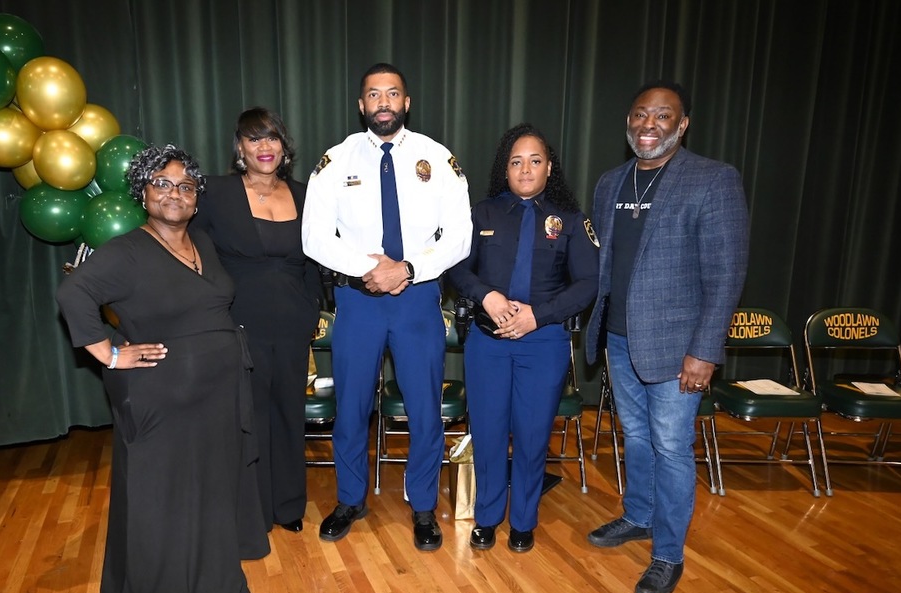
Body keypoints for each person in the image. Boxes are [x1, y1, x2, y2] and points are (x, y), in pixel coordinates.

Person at [56, 144, 270, 593]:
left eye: (185, 187)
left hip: (215, 395)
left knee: (207, 489)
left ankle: (211, 578)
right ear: (143, 193)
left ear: (196, 200)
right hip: (162, 397)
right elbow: (73, 293)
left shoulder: (202, 243)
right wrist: (109, 353)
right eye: (163, 184)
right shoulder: (128, 250)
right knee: (163, 496)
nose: (175, 194)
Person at [584, 81, 749, 593]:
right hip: (618, 339)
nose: (647, 125)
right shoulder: (612, 182)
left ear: (682, 125)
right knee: (634, 436)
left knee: (673, 447)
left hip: (679, 350)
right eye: (639, 115)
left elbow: (726, 275)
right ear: (627, 121)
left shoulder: (713, 181)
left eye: (662, 116)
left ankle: (668, 554)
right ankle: (638, 515)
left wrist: (704, 351)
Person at [302, 63, 472, 551]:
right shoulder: (335, 161)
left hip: (417, 300)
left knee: (424, 409)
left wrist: (408, 269)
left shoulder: (437, 159)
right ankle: (351, 498)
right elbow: (314, 235)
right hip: (358, 300)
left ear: (406, 102)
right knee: (351, 407)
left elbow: (459, 236)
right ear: (361, 105)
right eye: (374, 95)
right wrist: (365, 267)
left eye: (392, 93)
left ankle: (422, 506)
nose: (383, 102)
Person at [448, 124, 598, 553]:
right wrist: (487, 296)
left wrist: (539, 315)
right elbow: (457, 268)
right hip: (487, 342)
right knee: (490, 432)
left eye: (535, 160)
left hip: (543, 343)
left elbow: (588, 282)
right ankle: (488, 517)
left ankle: (524, 520)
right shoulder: (482, 214)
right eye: (516, 161)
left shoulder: (571, 221)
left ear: (549, 168)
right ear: (505, 169)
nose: (526, 169)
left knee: (532, 436)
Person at [191, 107, 321, 534]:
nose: (264, 147)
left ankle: (288, 506)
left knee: (289, 413)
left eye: (272, 138)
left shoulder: (306, 195)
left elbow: (316, 263)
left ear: (284, 147)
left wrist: (311, 312)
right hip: (238, 321)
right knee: (247, 416)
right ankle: (251, 509)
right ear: (240, 148)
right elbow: (195, 257)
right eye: (254, 139)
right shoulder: (215, 193)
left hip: (292, 322)